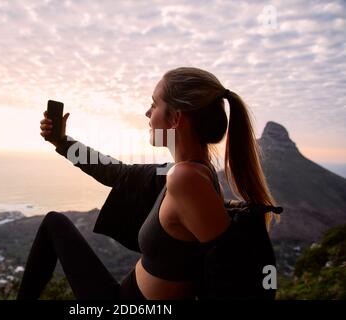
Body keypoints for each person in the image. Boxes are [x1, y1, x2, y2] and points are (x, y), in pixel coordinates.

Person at [16, 67, 281, 300]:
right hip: (124, 294)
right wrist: (62, 142)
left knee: (53, 224)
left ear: (176, 118)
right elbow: (116, 173)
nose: (147, 112)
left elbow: (228, 274)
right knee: (54, 224)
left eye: (154, 104)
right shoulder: (187, 171)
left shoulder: (185, 179)